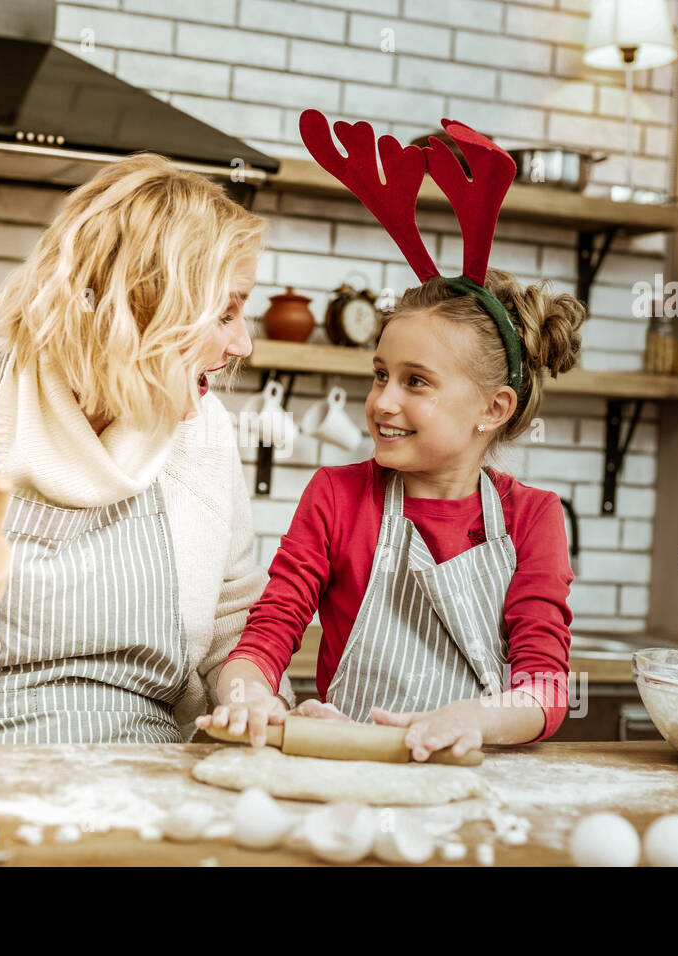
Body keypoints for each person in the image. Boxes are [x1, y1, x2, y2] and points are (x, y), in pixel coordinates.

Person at [0, 153, 292, 744]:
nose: (243, 342)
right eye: (224, 312)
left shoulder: (205, 433)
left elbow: (231, 624)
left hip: (148, 781)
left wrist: (251, 698)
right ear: (143, 309)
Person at [199, 111, 583, 762]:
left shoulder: (532, 518)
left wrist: (477, 719)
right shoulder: (338, 497)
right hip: (349, 771)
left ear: (493, 409)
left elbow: (544, 685)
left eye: (416, 382)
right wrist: (248, 694)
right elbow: (268, 634)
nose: (383, 401)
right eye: (380, 374)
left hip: (476, 776)